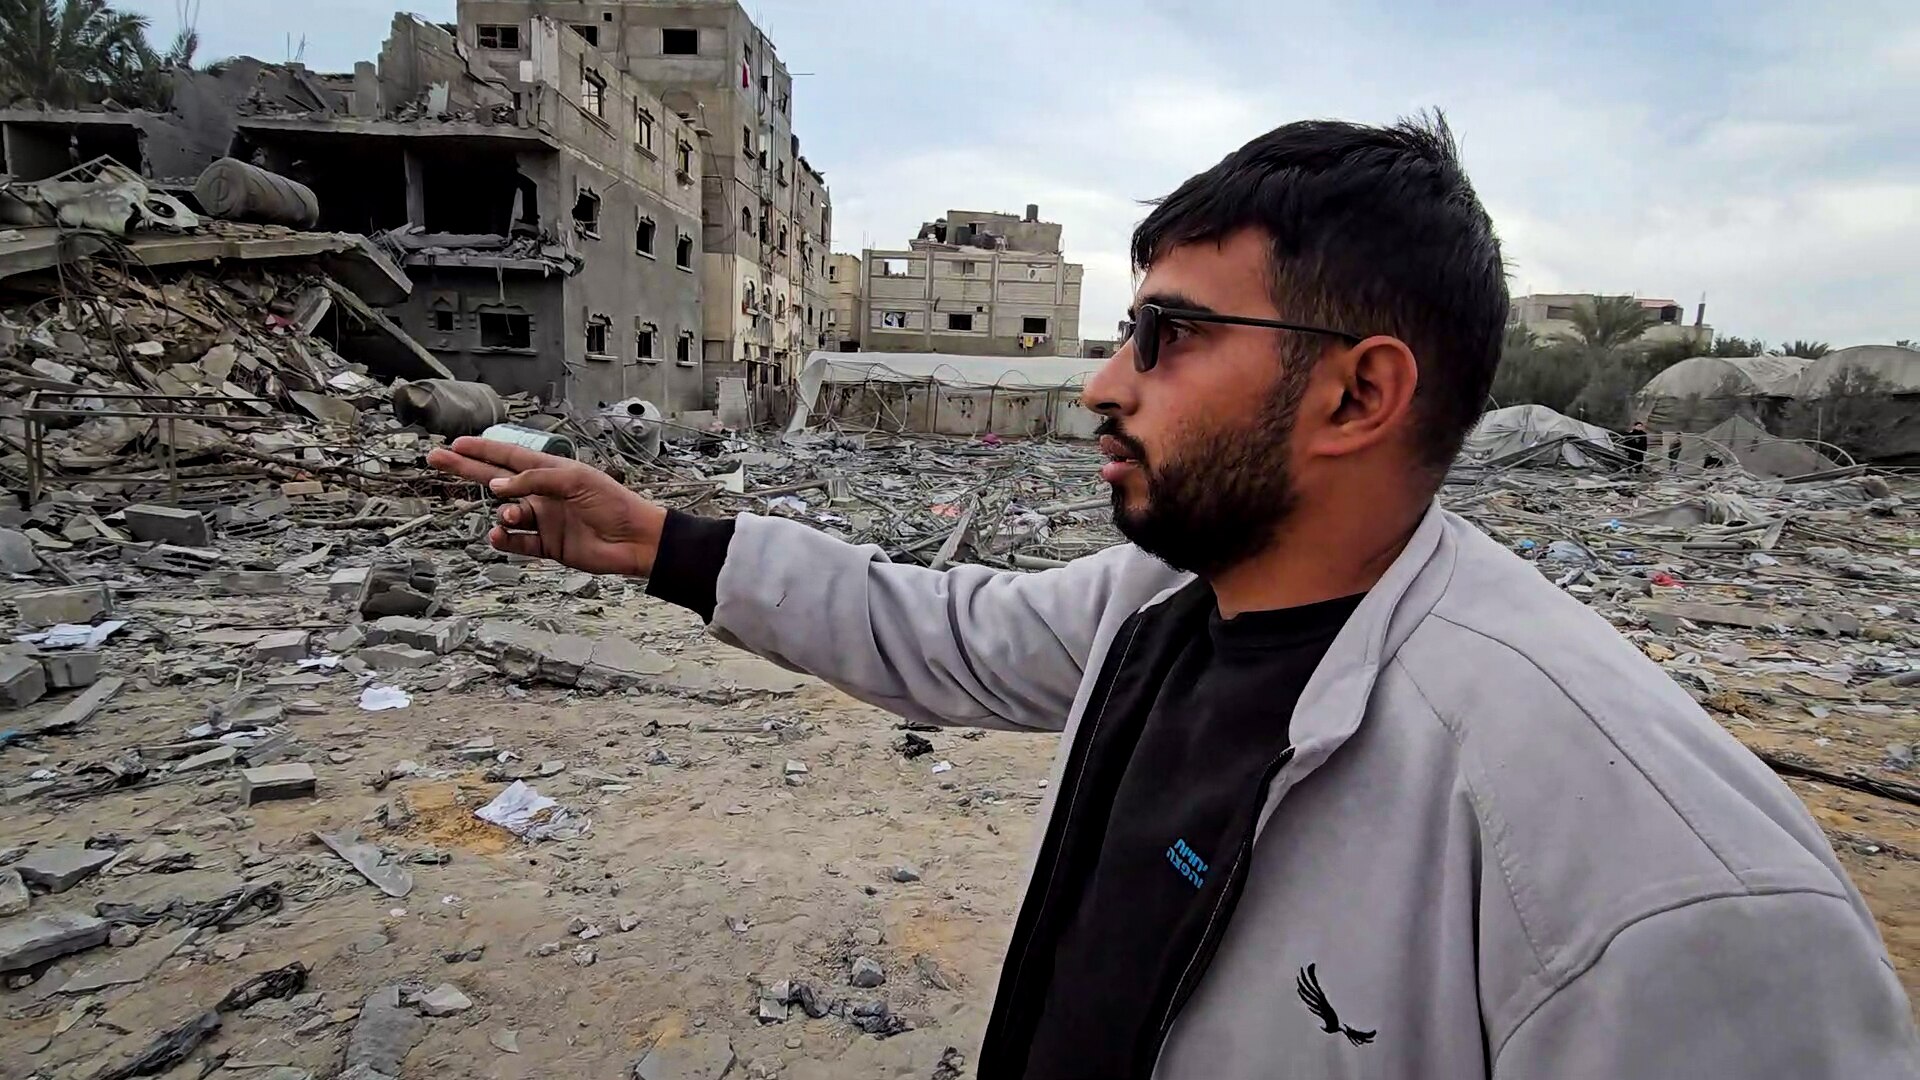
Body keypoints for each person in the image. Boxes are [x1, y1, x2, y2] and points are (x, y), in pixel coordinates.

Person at [429, 116, 1918, 1079]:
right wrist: (652, 542)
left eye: (1168, 337)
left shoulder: (1649, 872)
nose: (1099, 383)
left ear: (1359, 391)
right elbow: (939, 631)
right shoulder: (1160, 601)